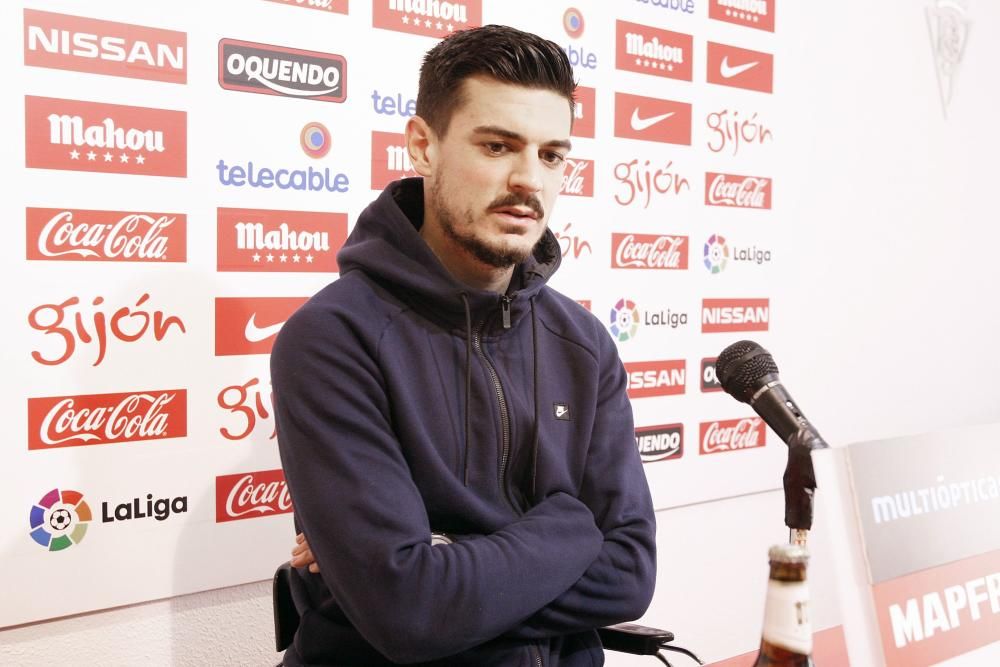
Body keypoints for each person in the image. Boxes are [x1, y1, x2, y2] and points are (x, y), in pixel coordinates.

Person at [271, 24, 656, 666]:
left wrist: (451, 562)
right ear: (423, 147)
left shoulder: (583, 344)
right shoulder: (333, 338)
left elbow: (628, 574)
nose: (530, 180)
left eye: (552, 155)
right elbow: (408, 611)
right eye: (498, 145)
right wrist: (570, 527)